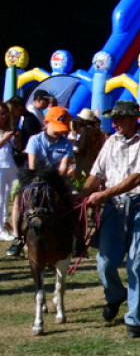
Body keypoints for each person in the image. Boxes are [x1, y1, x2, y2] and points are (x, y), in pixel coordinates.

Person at [82, 101, 140, 339]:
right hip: (114, 209)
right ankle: (116, 295)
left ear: (133, 119)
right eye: (113, 119)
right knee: (104, 261)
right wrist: (81, 196)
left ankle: (134, 320)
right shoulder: (110, 142)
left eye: (119, 118)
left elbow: (138, 178)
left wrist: (104, 194)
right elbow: (96, 174)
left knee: (137, 263)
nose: (114, 123)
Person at [7, 106, 76, 256]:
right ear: (46, 123)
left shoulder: (67, 144)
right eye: (57, 127)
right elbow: (32, 165)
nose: (60, 132)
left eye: (63, 128)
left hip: (57, 181)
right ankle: (17, 238)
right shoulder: (34, 140)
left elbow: (63, 168)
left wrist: (55, 180)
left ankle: (78, 238)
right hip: (34, 178)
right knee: (19, 202)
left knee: (74, 200)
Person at [0, 102, 17, 241]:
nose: (4, 116)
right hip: (0, 166)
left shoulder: (8, 127)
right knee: (0, 199)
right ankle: (0, 230)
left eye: (5, 113)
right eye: (1, 114)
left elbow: (17, 147)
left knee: (9, 197)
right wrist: (5, 138)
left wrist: (16, 139)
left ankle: (6, 222)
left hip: (10, 164)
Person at [72, 108, 105, 179]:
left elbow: (82, 146)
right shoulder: (98, 132)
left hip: (84, 161)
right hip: (93, 160)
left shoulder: (86, 130)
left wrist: (75, 143)